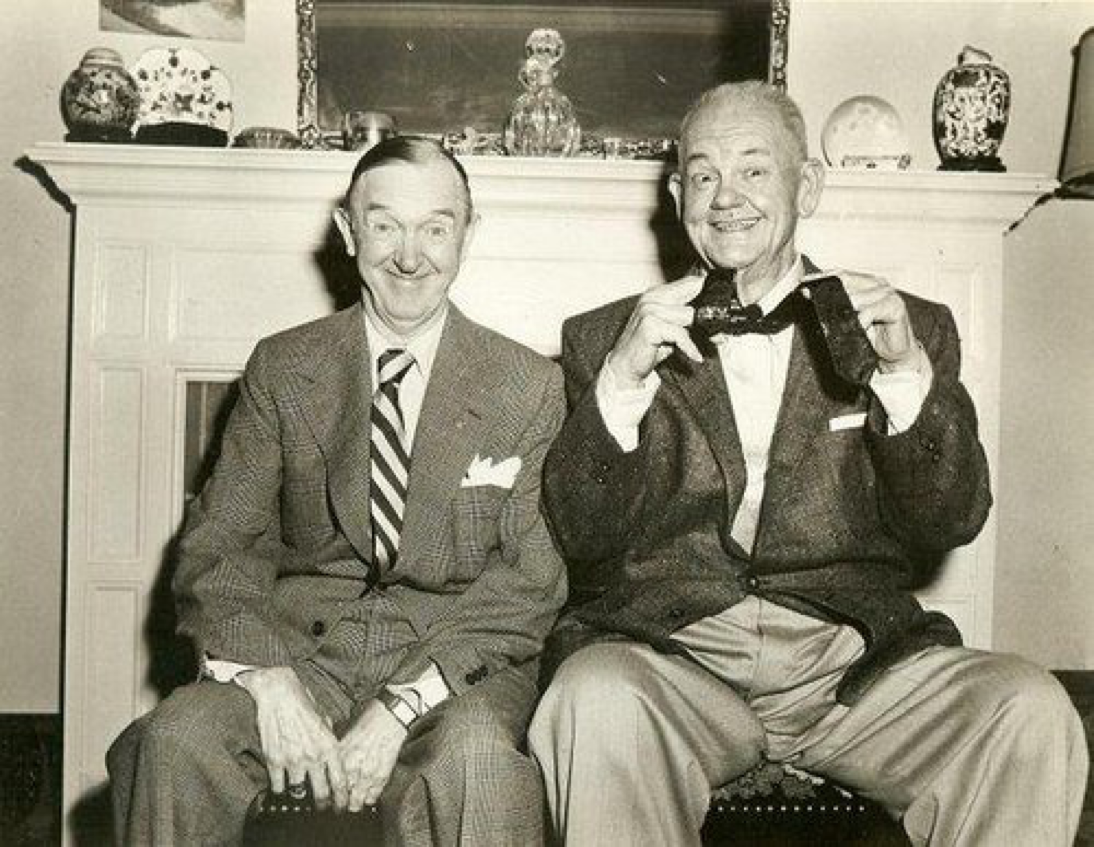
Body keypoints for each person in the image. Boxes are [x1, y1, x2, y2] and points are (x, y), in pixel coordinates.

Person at [529, 81, 1088, 846]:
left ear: (808, 186)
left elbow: (952, 519)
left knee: (1028, 706)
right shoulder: (606, 339)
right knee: (590, 698)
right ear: (678, 196)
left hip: (853, 667)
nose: (727, 197)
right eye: (703, 174)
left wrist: (904, 377)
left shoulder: (903, 328)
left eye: (755, 169)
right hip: (676, 658)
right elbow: (580, 535)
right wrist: (622, 380)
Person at [108, 136, 566, 846]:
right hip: (300, 656)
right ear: (349, 231)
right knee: (173, 740)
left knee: (478, 762)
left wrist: (399, 706)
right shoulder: (283, 367)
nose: (409, 256)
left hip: (450, 673)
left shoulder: (528, 386)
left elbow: (528, 585)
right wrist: (267, 678)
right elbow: (219, 548)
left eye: (435, 228)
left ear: (467, 235)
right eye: (385, 226)